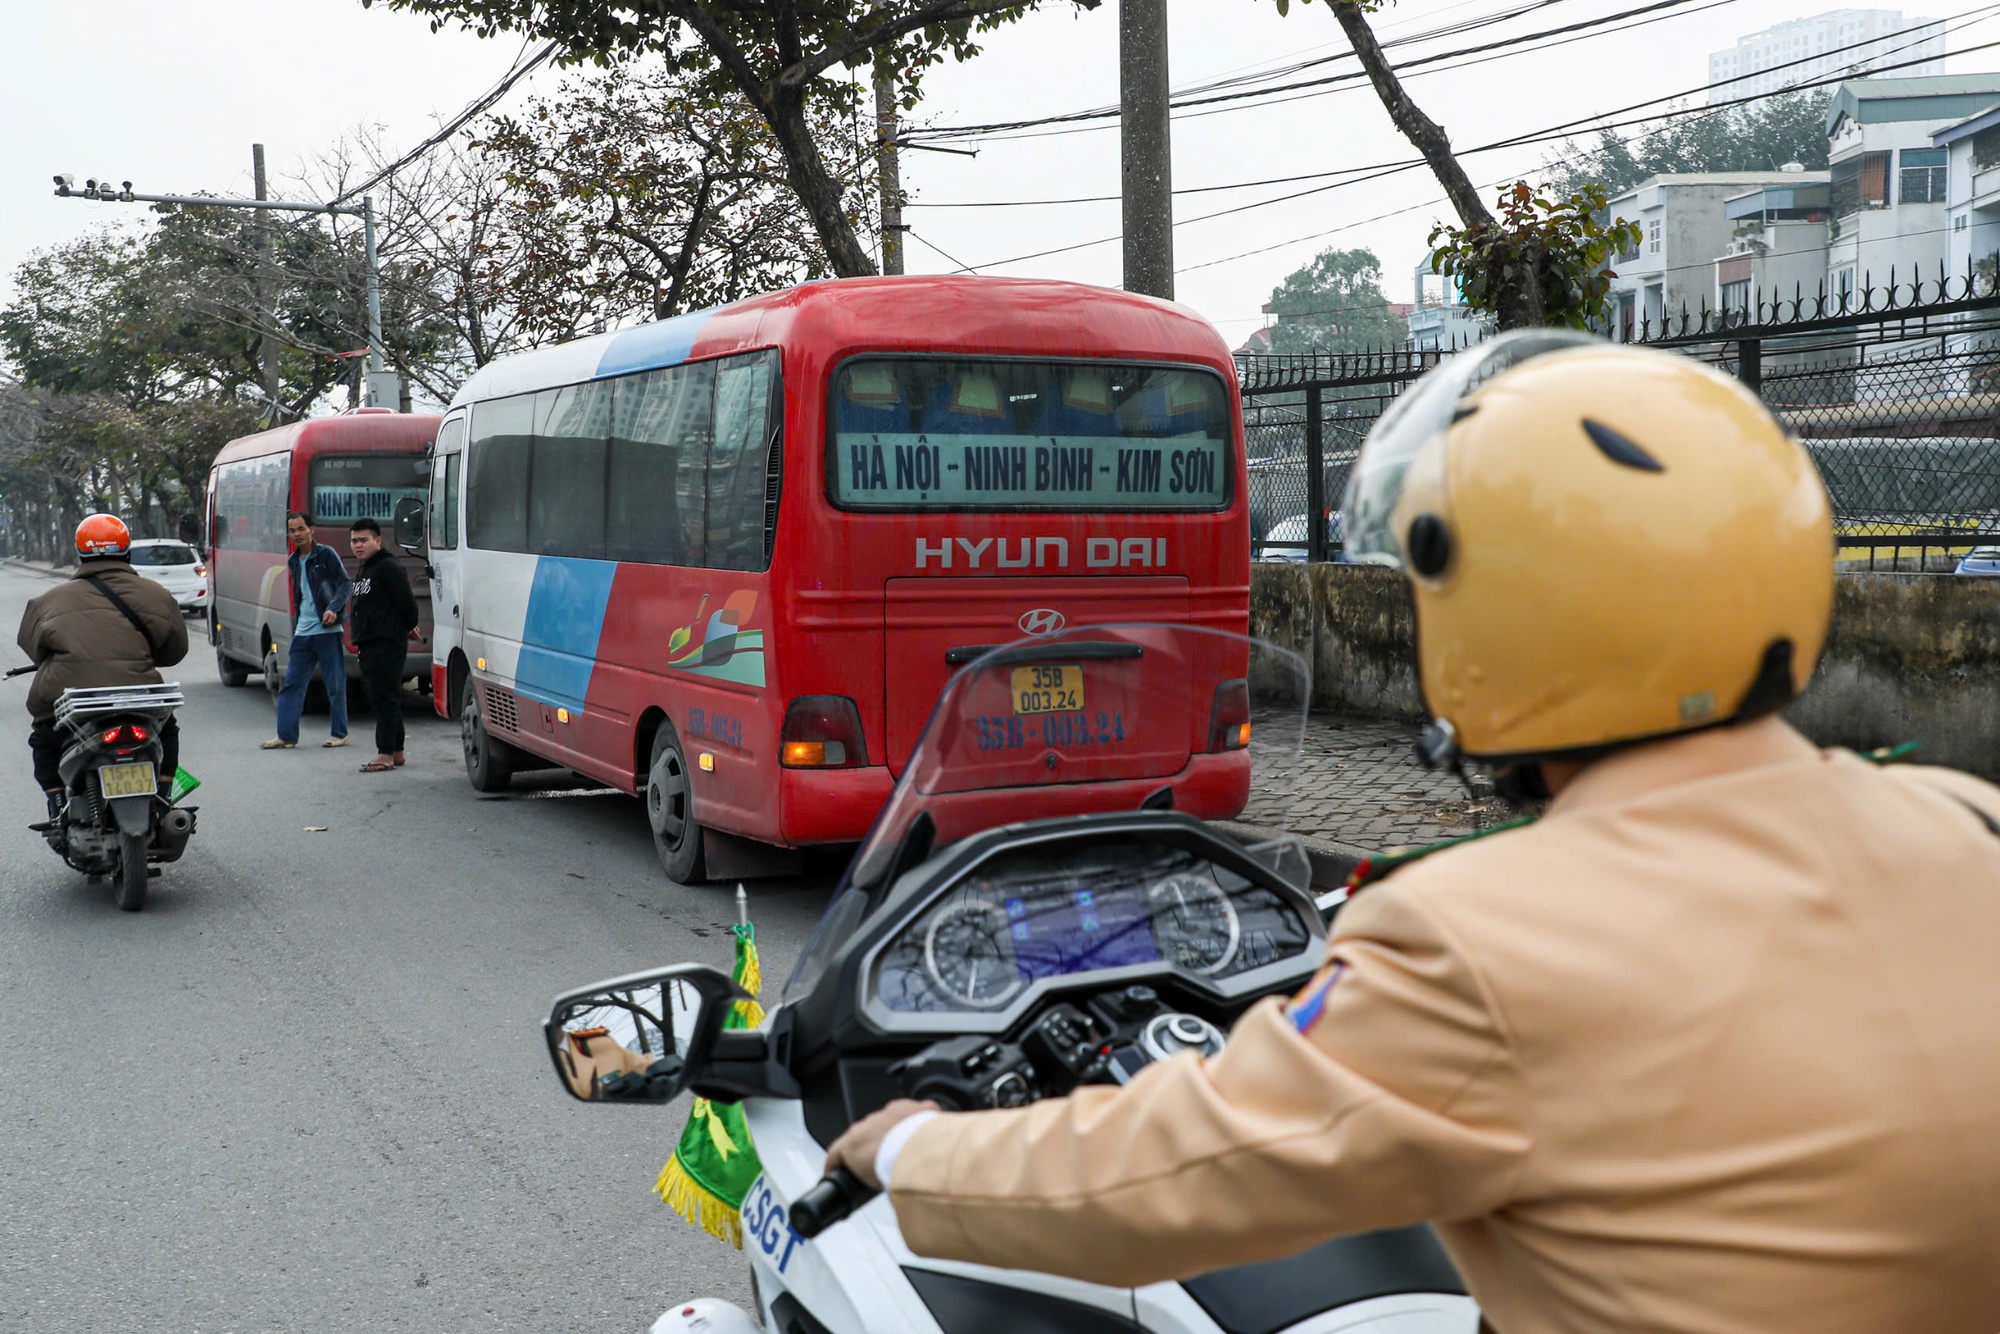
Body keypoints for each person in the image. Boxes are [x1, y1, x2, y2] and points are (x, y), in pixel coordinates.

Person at [825, 333, 2000, 1333]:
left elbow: (1158, 1174)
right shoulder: (1963, 821)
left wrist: (909, 1148)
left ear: (1484, 612)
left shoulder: (1473, 939)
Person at [17, 514, 189, 820]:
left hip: (72, 702)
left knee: (43, 738)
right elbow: (174, 652)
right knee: (167, 730)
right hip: (139, 698)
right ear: (126, 551)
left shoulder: (48, 601)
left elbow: (34, 650)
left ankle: (57, 805)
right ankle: (163, 795)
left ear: (80, 553)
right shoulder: (157, 595)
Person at [262, 510, 350, 751]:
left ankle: (340, 733)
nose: (297, 534)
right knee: (291, 684)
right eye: (292, 530)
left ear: (311, 530)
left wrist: (334, 608)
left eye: (301, 529)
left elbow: (344, 583)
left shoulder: (326, 554)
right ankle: (286, 736)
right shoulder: (292, 560)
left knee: (334, 684)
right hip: (303, 631)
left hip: (327, 630)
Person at [346, 518, 419, 773]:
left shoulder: (388, 567)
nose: (358, 545)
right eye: (354, 540)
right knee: (385, 697)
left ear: (378, 540)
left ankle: (385, 753)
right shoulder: (367, 567)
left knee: (383, 699)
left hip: (385, 643)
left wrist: (409, 625)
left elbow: (406, 601)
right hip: (370, 642)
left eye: (364, 540)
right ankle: (396, 751)